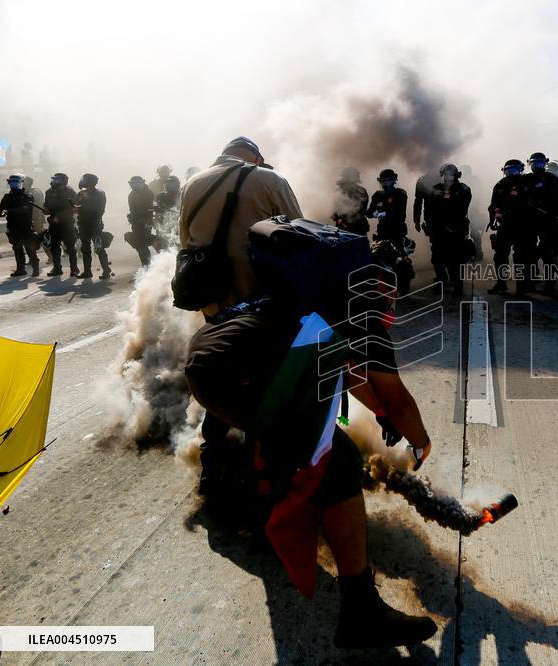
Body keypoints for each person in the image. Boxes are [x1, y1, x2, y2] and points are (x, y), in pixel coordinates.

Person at [180, 136, 436, 648]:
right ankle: (359, 609)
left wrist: (377, 409)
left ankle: (231, 472)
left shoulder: (192, 186)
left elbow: (344, 375)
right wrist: (418, 439)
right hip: (249, 351)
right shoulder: (342, 301)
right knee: (333, 455)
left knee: (287, 422)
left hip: (217, 330)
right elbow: (293, 234)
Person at [423, 163, 472, 298]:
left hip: (456, 230)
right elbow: (428, 210)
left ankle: (458, 287)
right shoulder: (435, 189)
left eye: (451, 173)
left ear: (456, 174)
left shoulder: (463, 189)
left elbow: (462, 206)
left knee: (456, 260)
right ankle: (442, 282)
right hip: (439, 230)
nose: (448, 176)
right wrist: (429, 225)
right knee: (437, 259)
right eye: (446, 173)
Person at [487, 159, 535, 295]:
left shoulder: (527, 184)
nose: (512, 173)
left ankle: (522, 287)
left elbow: (530, 205)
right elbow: (493, 204)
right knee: (500, 256)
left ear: (521, 170)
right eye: (509, 170)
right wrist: (494, 216)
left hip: (522, 226)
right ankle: (501, 284)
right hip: (505, 227)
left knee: (521, 258)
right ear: (504, 171)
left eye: (515, 170)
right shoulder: (500, 185)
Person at [521, 151, 558, 291]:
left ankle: (549, 283)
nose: (537, 166)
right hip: (529, 221)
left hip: (547, 220)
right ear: (529, 164)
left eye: (540, 163)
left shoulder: (553, 179)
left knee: (547, 253)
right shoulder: (525, 179)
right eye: (534, 163)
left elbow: (557, 200)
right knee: (529, 252)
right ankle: (530, 280)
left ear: (545, 164)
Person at [368, 169, 413, 293]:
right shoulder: (377, 195)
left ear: (394, 180)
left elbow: (400, 212)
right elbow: (369, 212)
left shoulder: (400, 193)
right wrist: (374, 213)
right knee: (376, 259)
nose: (386, 183)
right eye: (384, 180)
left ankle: (403, 289)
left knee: (402, 261)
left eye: (389, 180)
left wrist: (386, 213)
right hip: (382, 233)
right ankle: (381, 288)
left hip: (397, 232)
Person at [0, 174, 39, 277]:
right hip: (13, 227)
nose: (13, 185)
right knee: (17, 248)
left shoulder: (27, 196)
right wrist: (2, 212)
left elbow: (24, 209)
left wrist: (9, 211)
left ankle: (35, 268)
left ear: (20, 183)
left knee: (30, 249)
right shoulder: (7, 197)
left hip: (25, 227)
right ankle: (20, 269)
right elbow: (0, 211)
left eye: (15, 182)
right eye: (11, 183)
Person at [75, 173, 112, 279]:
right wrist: (76, 208)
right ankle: (87, 272)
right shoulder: (81, 194)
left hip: (95, 225)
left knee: (99, 248)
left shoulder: (99, 194)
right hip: (83, 224)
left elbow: (100, 210)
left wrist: (83, 209)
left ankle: (106, 271)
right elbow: (78, 205)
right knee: (85, 249)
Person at [44, 173, 80, 277]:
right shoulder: (49, 192)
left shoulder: (70, 192)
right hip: (54, 225)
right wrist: (46, 210)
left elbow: (74, 207)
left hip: (66, 223)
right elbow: (46, 205)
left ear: (63, 182)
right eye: (53, 180)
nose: (54, 182)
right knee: (54, 247)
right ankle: (57, 268)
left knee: (70, 247)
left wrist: (59, 217)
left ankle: (74, 269)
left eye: (56, 180)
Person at [127, 176, 155, 267]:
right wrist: (132, 217)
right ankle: (145, 264)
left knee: (143, 244)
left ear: (142, 183)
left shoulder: (148, 193)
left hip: (145, 222)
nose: (133, 186)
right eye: (132, 184)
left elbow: (149, 209)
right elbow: (132, 209)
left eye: (135, 183)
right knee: (139, 245)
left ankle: (147, 265)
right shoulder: (131, 194)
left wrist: (142, 217)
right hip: (135, 222)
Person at [332, 167, 370, 235]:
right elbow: (332, 210)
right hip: (343, 228)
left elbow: (362, 208)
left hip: (358, 227)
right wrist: (337, 218)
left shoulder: (361, 191)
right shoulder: (339, 191)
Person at [24, 176, 51, 266]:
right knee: (42, 239)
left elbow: (33, 209)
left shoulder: (30, 193)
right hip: (37, 219)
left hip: (34, 220)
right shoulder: (37, 191)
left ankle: (50, 257)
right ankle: (49, 257)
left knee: (39, 239)